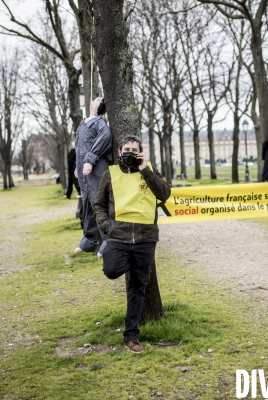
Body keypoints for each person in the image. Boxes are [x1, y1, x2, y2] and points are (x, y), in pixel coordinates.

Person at [93, 135, 171, 353]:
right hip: (119, 236)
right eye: (126, 149)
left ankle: (131, 336)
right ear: (119, 152)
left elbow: (165, 194)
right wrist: (107, 226)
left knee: (138, 286)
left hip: (146, 238)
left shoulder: (150, 171)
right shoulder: (111, 174)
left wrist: (145, 169)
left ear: (140, 152)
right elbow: (98, 204)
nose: (129, 152)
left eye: (134, 149)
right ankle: (118, 257)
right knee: (111, 270)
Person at [74, 97, 112, 256]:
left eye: (99, 100)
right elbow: (80, 147)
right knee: (87, 204)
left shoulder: (99, 123)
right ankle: (88, 240)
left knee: (99, 204)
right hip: (84, 174)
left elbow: (106, 137)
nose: (97, 100)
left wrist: (90, 160)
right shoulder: (84, 123)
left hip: (96, 171)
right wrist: (78, 165)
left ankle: (108, 241)